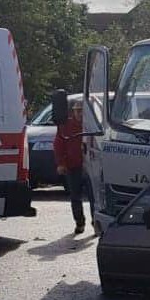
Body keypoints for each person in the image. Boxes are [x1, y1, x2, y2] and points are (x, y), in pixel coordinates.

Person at [54, 99, 87, 235]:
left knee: (95, 197)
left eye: (82, 111)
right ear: (73, 111)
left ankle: (96, 222)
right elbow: (58, 145)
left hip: (92, 166)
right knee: (75, 196)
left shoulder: (92, 125)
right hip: (73, 166)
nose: (80, 114)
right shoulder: (66, 125)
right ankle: (79, 223)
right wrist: (61, 163)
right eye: (78, 111)